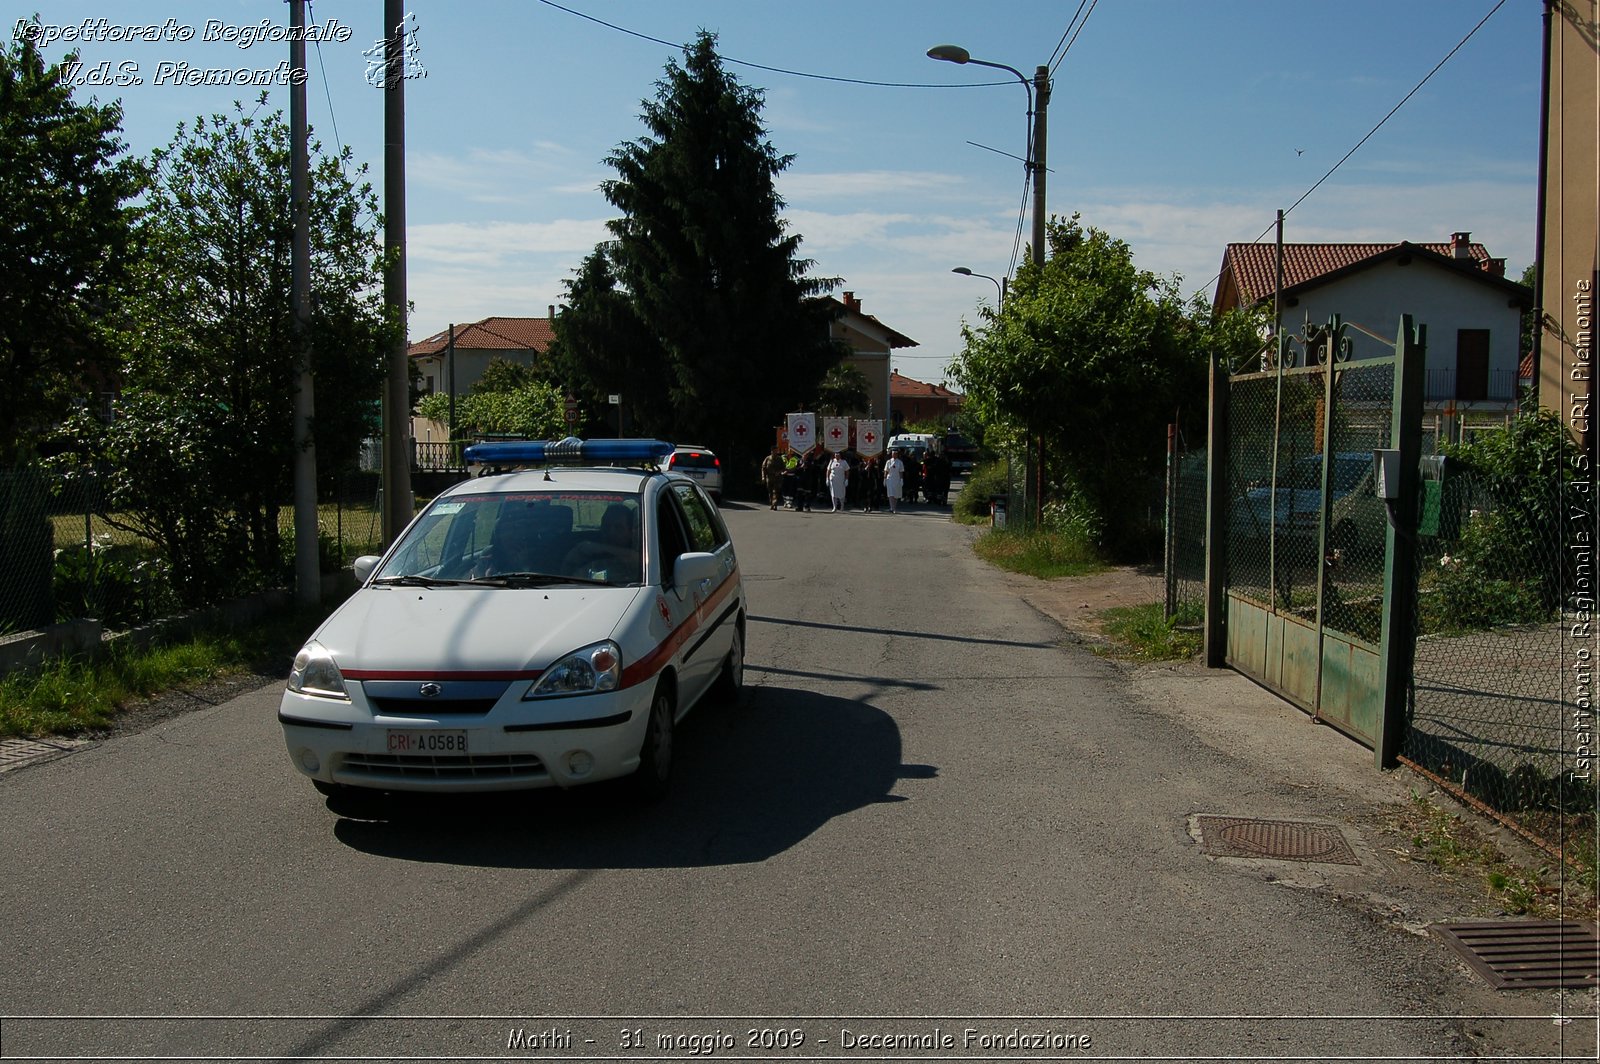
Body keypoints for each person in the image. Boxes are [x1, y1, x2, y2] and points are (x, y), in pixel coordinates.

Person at [563, 502, 640, 582]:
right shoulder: (586, 552)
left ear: (631, 532)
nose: (611, 532)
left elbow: (640, 561)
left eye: (618, 528)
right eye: (606, 526)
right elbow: (568, 576)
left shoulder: (643, 545)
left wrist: (601, 548)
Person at [761, 445, 786, 511]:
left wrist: (779, 472)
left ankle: (775, 505)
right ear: (771, 451)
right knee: (770, 492)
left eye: (776, 451)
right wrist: (763, 477)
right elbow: (763, 468)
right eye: (774, 451)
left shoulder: (779, 458)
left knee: (775, 491)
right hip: (769, 478)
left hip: (777, 478)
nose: (775, 452)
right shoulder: (767, 458)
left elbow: (783, 468)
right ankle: (772, 504)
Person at [883, 448, 905, 514]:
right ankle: (892, 507)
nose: (894, 455)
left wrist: (901, 479)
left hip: (897, 479)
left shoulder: (900, 462)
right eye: (893, 454)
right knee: (891, 493)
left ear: (897, 454)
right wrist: (884, 479)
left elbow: (901, 471)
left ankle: (894, 507)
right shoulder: (888, 462)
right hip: (890, 479)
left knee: (896, 494)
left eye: (895, 454)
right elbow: (886, 471)